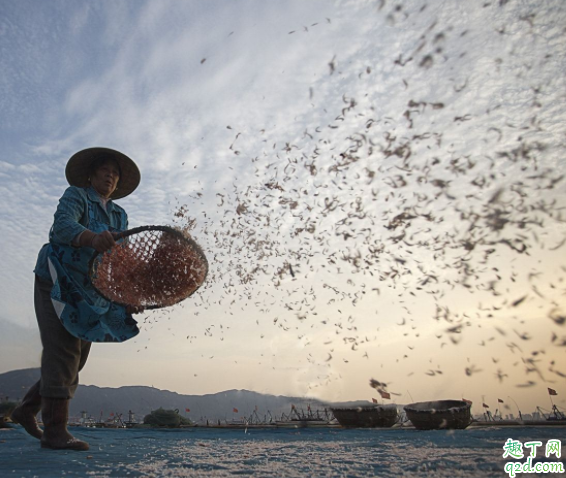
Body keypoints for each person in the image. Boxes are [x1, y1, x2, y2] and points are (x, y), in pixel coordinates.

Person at [11, 147, 143, 451]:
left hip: (88, 288)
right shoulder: (76, 196)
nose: (110, 176)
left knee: (78, 356)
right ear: (91, 174)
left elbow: (116, 262)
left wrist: (126, 297)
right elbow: (63, 227)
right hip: (56, 278)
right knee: (64, 350)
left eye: (115, 173)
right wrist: (92, 238)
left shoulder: (119, 215)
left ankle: (26, 409)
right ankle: (55, 431)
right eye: (104, 170)